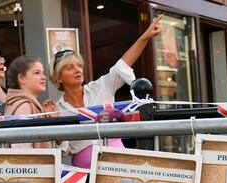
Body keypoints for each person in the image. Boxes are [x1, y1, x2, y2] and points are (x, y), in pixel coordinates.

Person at [52, 15, 164, 167]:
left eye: (79, 65)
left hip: (116, 158)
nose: (77, 70)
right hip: (85, 169)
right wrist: (53, 120)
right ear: (58, 78)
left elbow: (123, 64)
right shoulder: (57, 108)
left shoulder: (101, 86)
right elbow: (63, 149)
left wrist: (146, 36)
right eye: (69, 67)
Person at [5, 56, 58, 149]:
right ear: (21, 78)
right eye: (37, 73)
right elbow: (22, 149)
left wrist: (52, 120)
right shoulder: (24, 105)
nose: (44, 77)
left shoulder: (27, 104)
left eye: (43, 73)